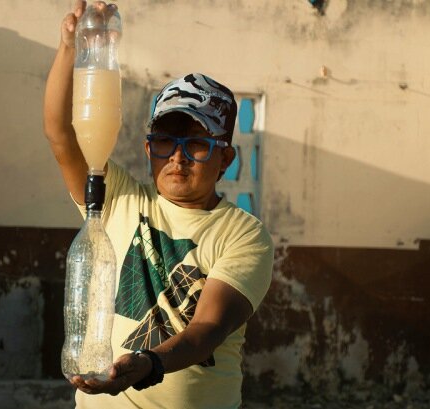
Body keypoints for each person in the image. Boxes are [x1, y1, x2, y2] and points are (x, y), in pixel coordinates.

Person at [43, 2, 274, 408]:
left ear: (226, 160)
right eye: (166, 141)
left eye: (197, 145)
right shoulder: (117, 199)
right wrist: (68, 49)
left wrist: (151, 364)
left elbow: (208, 328)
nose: (178, 158)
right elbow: (61, 133)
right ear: (149, 149)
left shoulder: (244, 234)